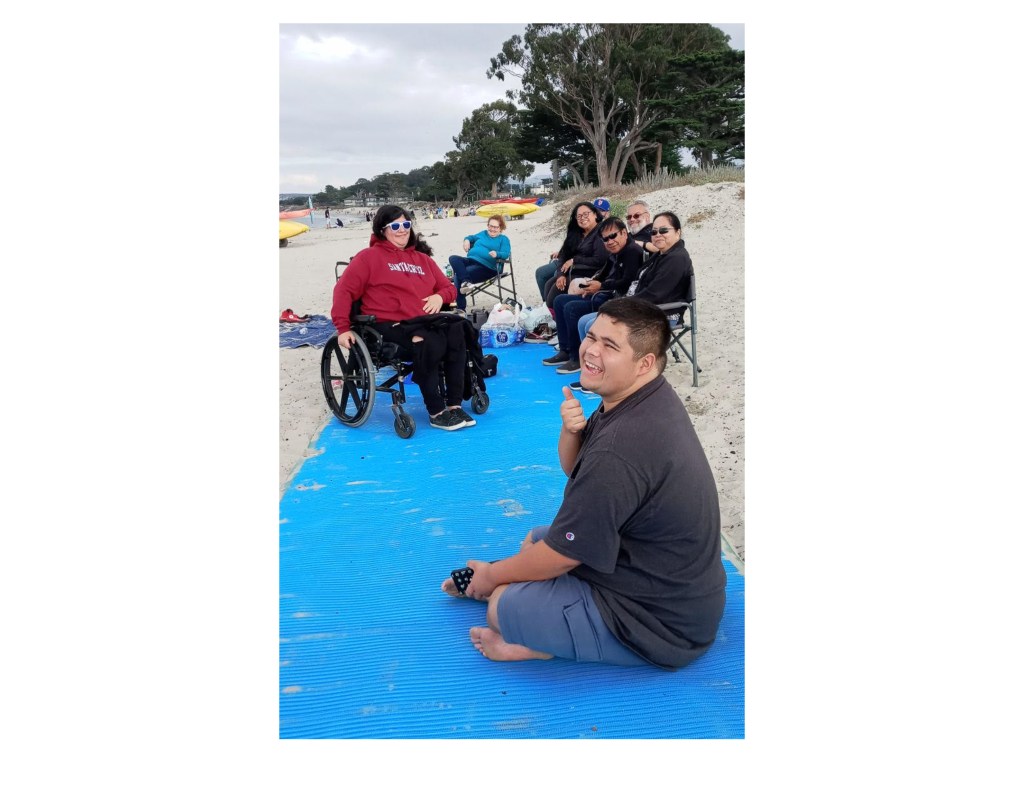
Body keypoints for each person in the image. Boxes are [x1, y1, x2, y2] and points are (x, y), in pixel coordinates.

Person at [441, 297, 726, 669]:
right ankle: (525, 597)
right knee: (534, 540)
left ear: (645, 363)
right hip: (657, 570)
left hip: (665, 622)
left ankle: (540, 644)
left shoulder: (624, 444)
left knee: (502, 607)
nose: (591, 350)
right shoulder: (642, 399)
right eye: (591, 337)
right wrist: (570, 429)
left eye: (610, 346)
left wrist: (492, 578)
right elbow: (575, 468)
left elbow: (565, 555)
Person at [331, 205, 478, 431]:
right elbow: (344, 291)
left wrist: (440, 297)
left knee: (458, 332)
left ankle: (454, 406)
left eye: (406, 225)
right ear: (382, 230)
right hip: (388, 324)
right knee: (429, 341)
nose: (402, 230)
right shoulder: (368, 258)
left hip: (425, 321)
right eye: (396, 226)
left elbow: (449, 288)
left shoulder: (422, 259)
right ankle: (436, 411)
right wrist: (342, 328)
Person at [567, 211, 693, 387]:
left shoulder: (677, 259)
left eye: (664, 230)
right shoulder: (662, 255)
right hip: (643, 306)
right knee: (584, 322)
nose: (657, 235)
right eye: (654, 232)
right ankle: (592, 373)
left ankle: (605, 377)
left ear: (678, 232)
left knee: (592, 325)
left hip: (661, 313)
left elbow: (655, 294)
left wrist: (623, 306)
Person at [542, 216, 645, 373]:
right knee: (560, 300)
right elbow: (602, 274)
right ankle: (565, 350)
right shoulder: (615, 253)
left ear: (624, 233)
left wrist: (601, 286)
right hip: (604, 293)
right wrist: (591, 284)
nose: (610, 241)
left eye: (613, 236)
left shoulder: (632, 252)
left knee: (572, 308)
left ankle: (576, 358)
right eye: (605, 239)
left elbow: (627, 282)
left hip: (616, 300)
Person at [536, 201, 610, 309]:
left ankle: (554, 315)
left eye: (586, 214)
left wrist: (575, 260)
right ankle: (551, 316)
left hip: (591, 272)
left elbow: (600, 260)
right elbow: (563, 255)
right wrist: (560, 275)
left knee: (553, 296)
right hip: (572, 271)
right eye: (578, 216)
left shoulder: (600, 232)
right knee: (549, 285)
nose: (582, 218)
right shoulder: (576, 233)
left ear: (595, 214)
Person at [447, 216, 512, 311]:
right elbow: (471, 237)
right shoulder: (483, 233)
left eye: (496, 227)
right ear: (488, 226)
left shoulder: (503, 239)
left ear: (501, 228)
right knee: (453, 258)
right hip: (471, 260)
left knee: (458, 276)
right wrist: (467, 240)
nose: (492, 229)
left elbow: (506, 253)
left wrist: (497, 254)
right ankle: (466, 282)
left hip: (488, 267)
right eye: (491, 226)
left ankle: (461, 308)